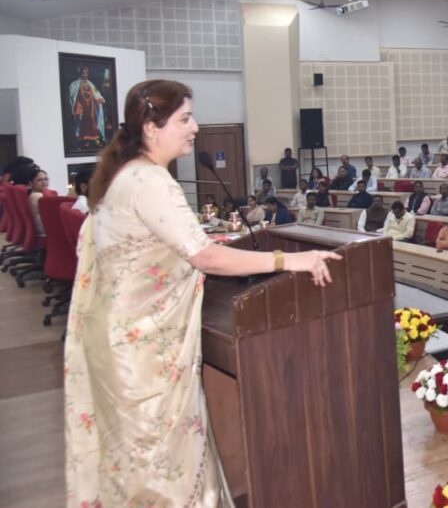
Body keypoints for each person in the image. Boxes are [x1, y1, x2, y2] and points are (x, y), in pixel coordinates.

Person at [64, 80, 337, 505]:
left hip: (120, 341)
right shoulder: (149, 181)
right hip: (140, 352)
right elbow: (205, 256)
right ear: (152, 128)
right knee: (157, 470)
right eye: (185, 119)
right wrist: (289, 260)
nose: (195, 127)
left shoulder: (123, 175)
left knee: (133, 465)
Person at [27, 167, 50, 234]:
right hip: (44, 229)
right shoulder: (37, 196)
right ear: (31, 183)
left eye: (46, 179)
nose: (44, 182)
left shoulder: (40, 194)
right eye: (39, 180)